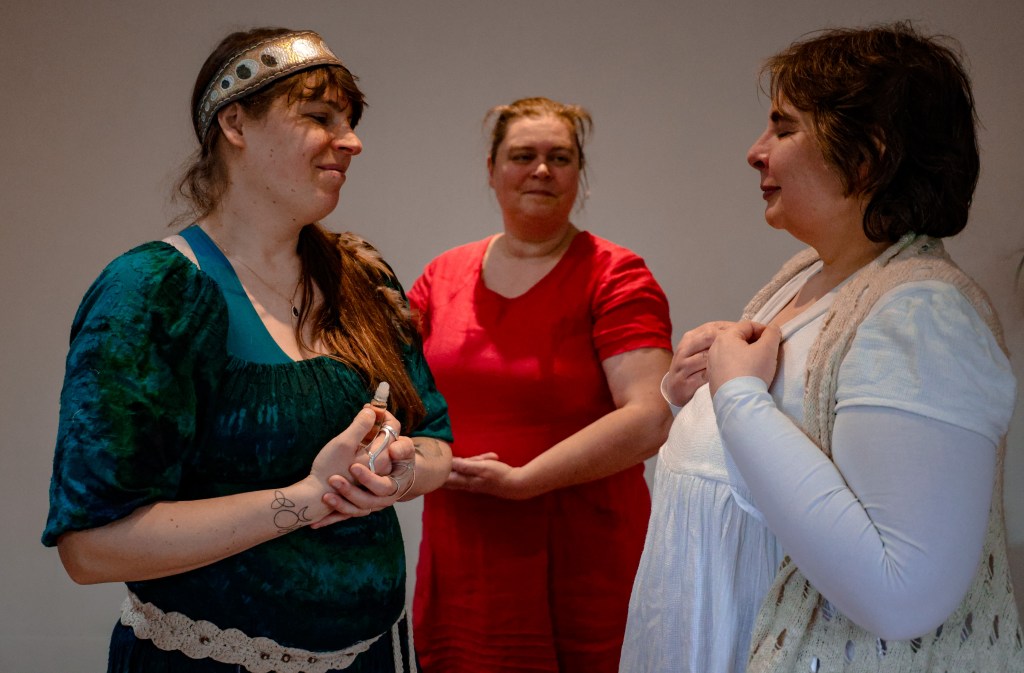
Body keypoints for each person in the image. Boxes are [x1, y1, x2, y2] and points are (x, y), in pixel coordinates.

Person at [42, 27, 453, 673]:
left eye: (350, 122)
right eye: (319, 117)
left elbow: (437, 443)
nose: (352, 142)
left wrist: (399, 471)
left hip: (373, 655)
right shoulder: (153, 293)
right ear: (234, 124)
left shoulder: (361, 277)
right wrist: (312, 496)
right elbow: (92, 547)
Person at [621, 22, 1022, 673]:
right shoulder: (808, 275)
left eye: (783, 129)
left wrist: (738, 395)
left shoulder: (923, 316)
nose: (755, 152)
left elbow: (900, 593)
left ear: (866, 157)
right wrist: (689, 391)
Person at [408, 97, 673, 672]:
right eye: (523, 155)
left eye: (561, 157)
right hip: (465, 557)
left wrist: (526, 481)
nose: (542, 170)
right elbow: (399, 396)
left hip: (583, 558)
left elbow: (650, 416)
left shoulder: (616, 275)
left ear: (579, 173)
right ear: (492, 170)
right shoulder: (441, 277)